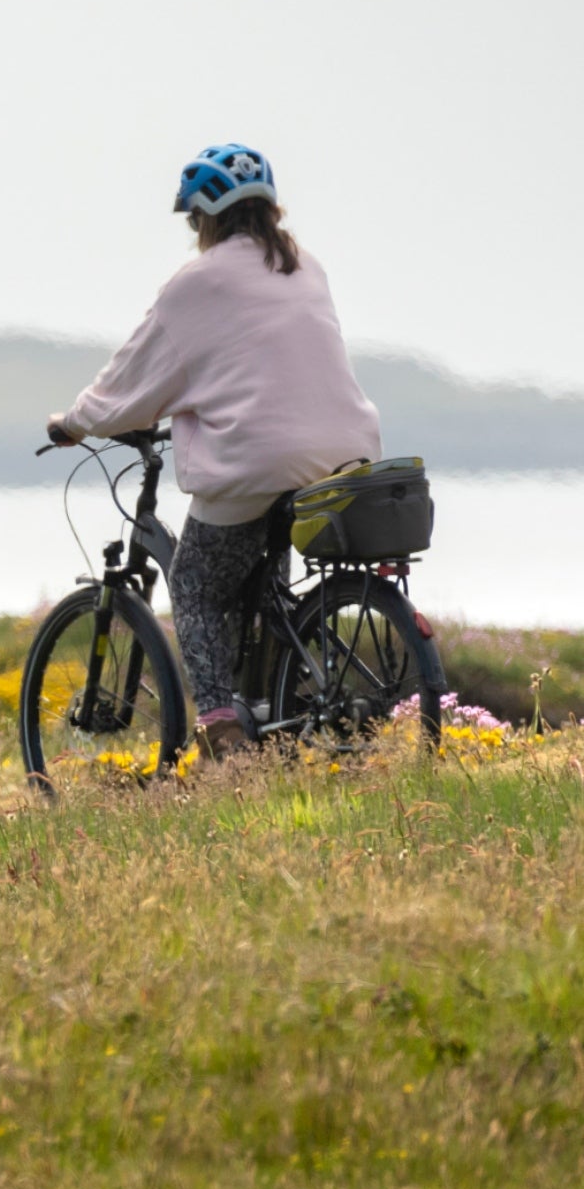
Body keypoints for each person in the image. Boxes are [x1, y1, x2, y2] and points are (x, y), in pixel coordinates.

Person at [44, 145, 380, 755]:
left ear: (204, 217)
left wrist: (75, 422)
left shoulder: (199, 281)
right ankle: (280, 708)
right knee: (258, 573)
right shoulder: (307, 266)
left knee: (196, 582)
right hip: (339, 455)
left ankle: (222, 734)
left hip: (259, 459)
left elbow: (133, 374)